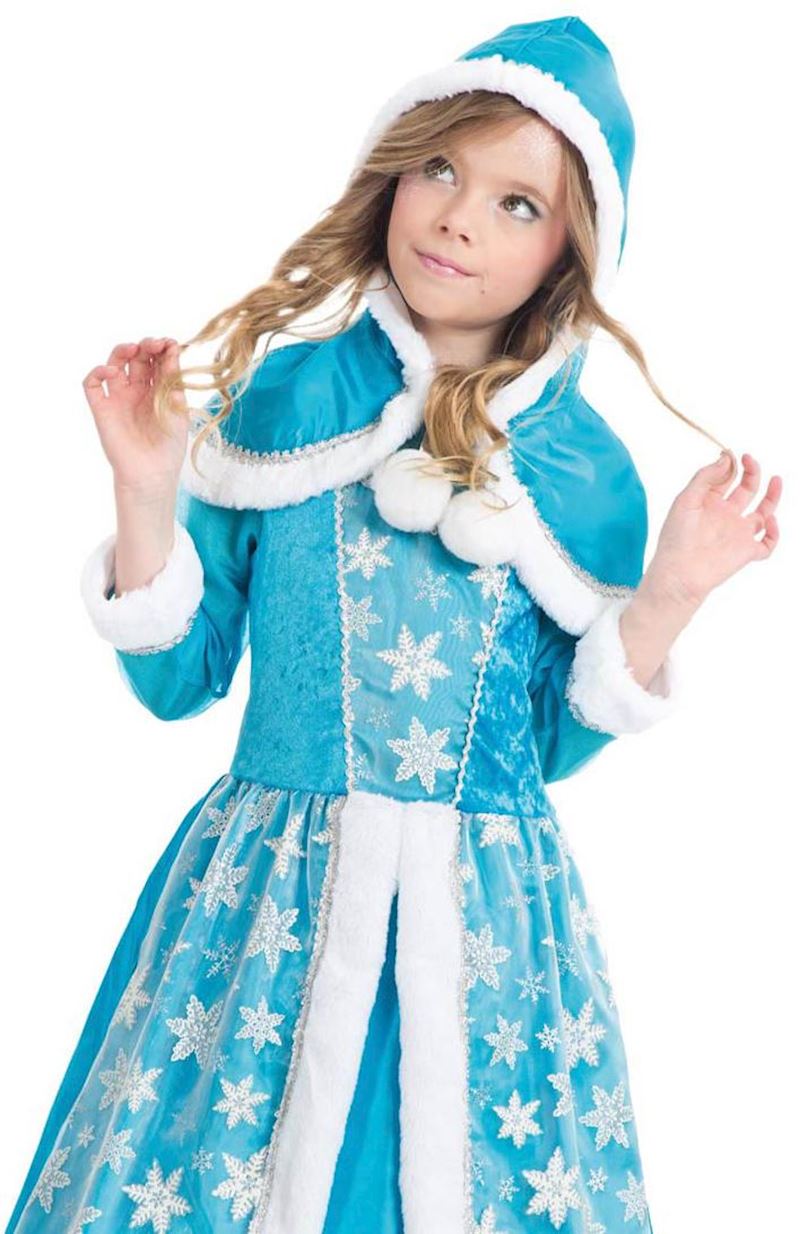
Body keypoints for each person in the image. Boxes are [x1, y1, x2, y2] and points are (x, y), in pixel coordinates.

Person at [6, 16, 781, 1234]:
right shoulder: (289, 399)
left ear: (569, 252)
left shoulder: (579, 471)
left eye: (516, 204)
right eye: (438, 169)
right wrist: (145, 495)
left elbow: (547, 747)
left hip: (484, 934)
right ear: (393, 171)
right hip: (263, 905)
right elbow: (180, 680)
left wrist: (669, 594)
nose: (458, 218)